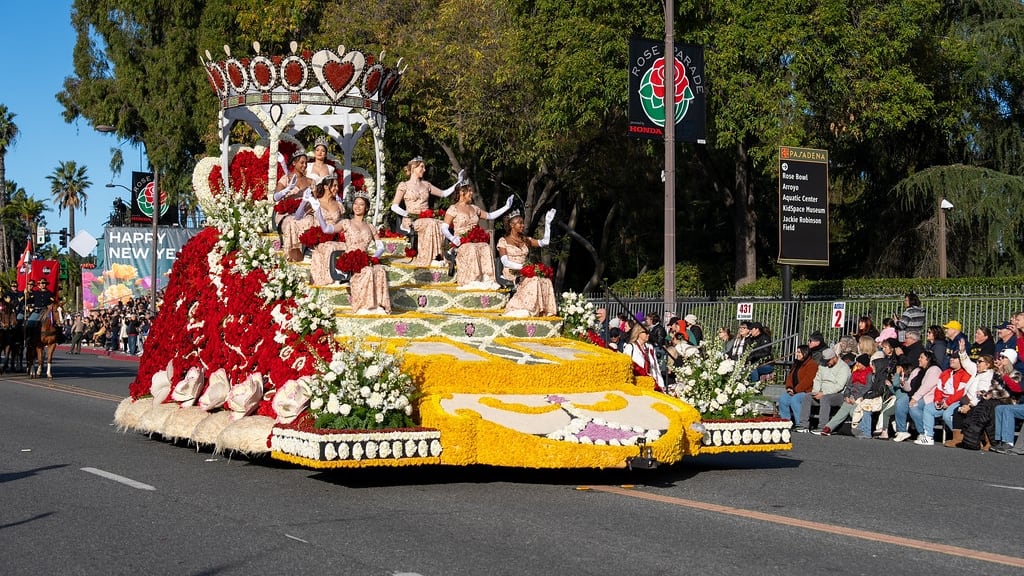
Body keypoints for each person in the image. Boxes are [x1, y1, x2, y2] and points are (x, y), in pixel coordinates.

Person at [316, 191, 390, 314]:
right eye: (355, 203)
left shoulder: (370, 227)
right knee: (367, 271)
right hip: (351, 259)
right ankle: (364, 305)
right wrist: (318, 213)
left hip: (365, 258)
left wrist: (374, 257)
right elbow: (327, 229)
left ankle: (378, 304)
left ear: (366, 208)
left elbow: (381, 247)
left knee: (380, 270)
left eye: (361, 204)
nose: (357, 206)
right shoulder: (346, 222)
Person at [390, 157, 465, 267]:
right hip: (411, 219)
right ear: (414, 167)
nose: (424, 170)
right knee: (431, 223)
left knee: (441, 224)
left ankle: (441, 256)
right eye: (422, 167)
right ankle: (428, 258)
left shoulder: (426, 185)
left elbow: (444, 194)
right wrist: (408, 214)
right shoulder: (404, 185)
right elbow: (394, 206)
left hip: (426, 217)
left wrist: (458, 183)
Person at [442, 182, 513, 288]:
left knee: (485, 246)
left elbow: (490, 216)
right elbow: (444, 227)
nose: (471, 193)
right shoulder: (453, 209)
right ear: (462, 192)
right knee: (471, 248)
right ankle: (472, 279)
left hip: (474, 239)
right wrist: (452, 238)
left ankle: (486, 278)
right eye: (469, 191)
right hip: (460, 242)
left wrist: (506, 207)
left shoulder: (474, 208)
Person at [497, 209, 557, 317]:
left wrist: (548, 223)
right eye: (520, 223)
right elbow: (504, 261)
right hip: (512, 270)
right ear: (512, 225)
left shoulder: (525, 240)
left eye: (523, 222)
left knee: (545, 279)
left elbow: (544, 242)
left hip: (526, 270)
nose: (523, 225)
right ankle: (527, 308)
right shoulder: (503, 240)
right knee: (533, 279)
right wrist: (522, 267)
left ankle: (545, 311)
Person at [911, 351, 970, 445]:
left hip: (957, 401)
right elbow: (938, 389)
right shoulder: (945, 373)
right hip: (943, 399)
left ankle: (964, 436)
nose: (951, 360)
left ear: (961, 361)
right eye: (951, 358)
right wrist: (937, 401)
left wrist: (948, 402)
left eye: (954, 358)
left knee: (947, 415)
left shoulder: (965, 374)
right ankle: (928, 436)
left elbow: (961, 392)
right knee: (928, 408)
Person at [815, 354, 875, 438]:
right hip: (851, 397)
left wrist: (856, 397)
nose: (857, 365)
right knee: (842, 412)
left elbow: (868, 387)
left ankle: (861, 430)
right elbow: (849, 386)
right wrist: (846, 395)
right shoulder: (854, 373)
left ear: (864, 364)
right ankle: (828, 427)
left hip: (861, 398)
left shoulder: (869, 374)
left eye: (859, 363)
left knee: (853, 412)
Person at [797, 347, 850, 433]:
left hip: (838, 394)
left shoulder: (843, 368)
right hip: (821, 392)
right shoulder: (823, 365)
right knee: (807, 397)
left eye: (828, 361)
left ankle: (822, 426)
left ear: (834, 357)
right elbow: (818, 379)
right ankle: (804, 425)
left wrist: (824, 393)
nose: (827, 363)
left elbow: (839, 386)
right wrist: (816, 391)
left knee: (826, 399)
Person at [308, 178, 350, 286]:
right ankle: (325, 280)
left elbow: (343, 222)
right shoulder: (316, 202)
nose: (337, 188)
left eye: (337, 186)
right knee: (327, 247)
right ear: (326, 187)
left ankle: (337, 276)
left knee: (336, 245)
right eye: (334, 186)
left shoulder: (339, 205)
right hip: (319, 238)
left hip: (335, 237)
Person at [895, 350, 941, 442]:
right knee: (900, 403)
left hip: (927, 397)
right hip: (913, 394)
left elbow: (926, 387)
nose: (918, 359)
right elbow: (909, 386)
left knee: (914, 406)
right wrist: (903, 384)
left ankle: (923, 432)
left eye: (921, 357)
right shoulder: (917, 370)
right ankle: (901, 431)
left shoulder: (934, 370)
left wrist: (915, 399)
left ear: (928, 359)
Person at [273, 149, 315, 233]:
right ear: (294, 163)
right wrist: (287, 189)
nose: (305, 165)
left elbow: (315, 201)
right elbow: (275, 198)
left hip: (306, 213)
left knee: (309, 222)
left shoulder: (311, 181)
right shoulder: (286, 178)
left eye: (306, 163)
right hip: (287, 213)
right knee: (292, 222)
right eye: (302, 163)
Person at [777, 345, 817, 429]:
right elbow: (790, 377)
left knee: (796, 399)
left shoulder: (812, 364)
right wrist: (789, 388)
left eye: (799, 352)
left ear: (805, 353)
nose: (796, 354)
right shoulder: (796, 364)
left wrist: (796, 390)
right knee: (783, 399)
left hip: (806, 391)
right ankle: (786, 422)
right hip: (794, 390)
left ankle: (800, 423)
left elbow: (808, 381)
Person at [623, 324, 664, 392]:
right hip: (636, 383)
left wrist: (661, 384)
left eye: (649, 332)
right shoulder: (630, 347)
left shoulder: (650, 348)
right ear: (638, 333)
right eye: (646, 332)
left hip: (650, 384)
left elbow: (656, 367)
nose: (648, 334)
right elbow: (626, 366)